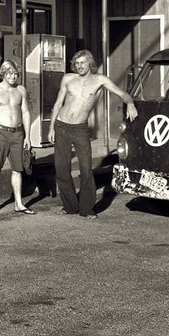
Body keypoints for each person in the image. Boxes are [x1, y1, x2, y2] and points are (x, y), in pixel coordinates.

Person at [48, 49, 138, 218]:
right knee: (61, 169)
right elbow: (58, 103)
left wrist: (131, 103)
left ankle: (86, 208)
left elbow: (123, 94)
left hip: (80, 129)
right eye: (77, 63)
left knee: (86, 169)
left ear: (90, 63)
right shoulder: (68, 79)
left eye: (82, 62)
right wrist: (51, 127)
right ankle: (69, 206)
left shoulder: (99, 80)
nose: (79, 66)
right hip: (61, 126)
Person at [0, 59, 34, 214]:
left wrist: (27, 136)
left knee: (18, 169)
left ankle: (19, 203)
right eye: (10, 74)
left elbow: (25, 112)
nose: (13, 77)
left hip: (18, 133)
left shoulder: (21, 90)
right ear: (3, 74)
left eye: (16, 74)